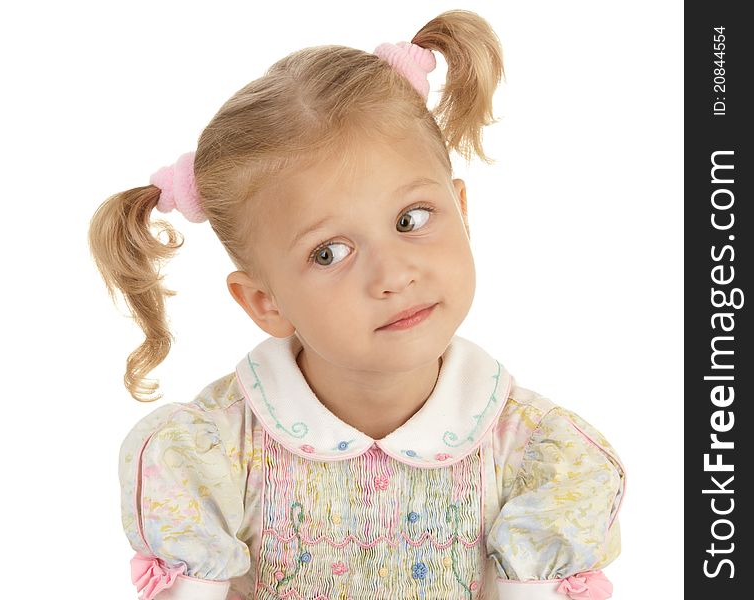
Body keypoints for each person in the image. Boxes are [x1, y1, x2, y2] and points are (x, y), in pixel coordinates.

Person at [88, 9, 625, 600]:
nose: (393, 274)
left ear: (462, 213)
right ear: (265, 302)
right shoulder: (210, 453)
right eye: (329, 253)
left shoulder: (537, 454)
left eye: (411, 219)